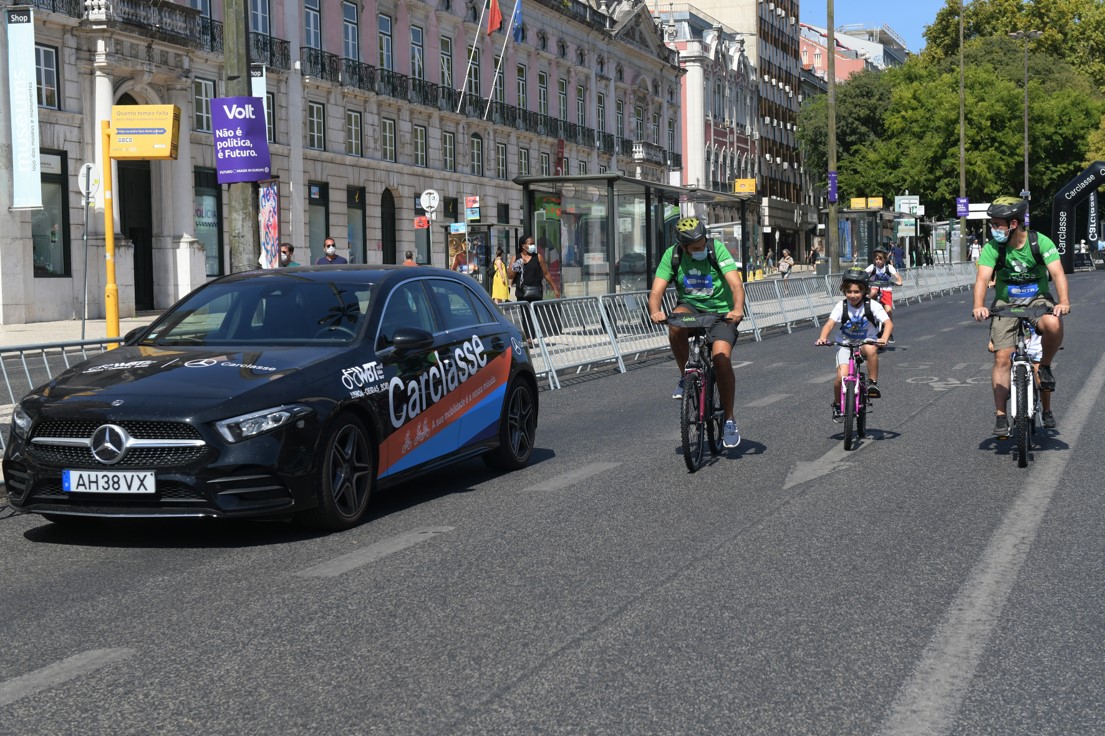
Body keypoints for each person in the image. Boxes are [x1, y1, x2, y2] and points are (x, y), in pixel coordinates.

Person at [971, 195, 1070, 438]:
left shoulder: (1040, 243)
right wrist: (979, 305)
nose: (993, 229)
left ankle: (1044, 366)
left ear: (1013, 224)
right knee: (1002, 358)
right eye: (992, 224)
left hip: (1037, 299)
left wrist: (1064, 301)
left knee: (1054, 323)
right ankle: (1001, 415)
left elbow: (1057, 274)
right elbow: (982, 278)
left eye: (997, 224)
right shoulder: (993, 248)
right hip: (1006, 303)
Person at [647, 216, 745, 449]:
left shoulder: (716, 250)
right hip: (691, 308)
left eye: (702, 244)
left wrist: (737, 309)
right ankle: (686, 377)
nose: (700, 249)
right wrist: (655, 311)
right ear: (683, 246)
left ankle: (729, 419)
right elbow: (656, 291)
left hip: (721, 313)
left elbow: (735, 285)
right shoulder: (673, 255)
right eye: (695, 247)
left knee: (721, 359)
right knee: (675, 323)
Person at [815, 269, 892, 416]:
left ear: (864, 291)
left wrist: (884, 338)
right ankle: (838, 404)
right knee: (840, 377)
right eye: (849, 291)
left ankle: (872, 383)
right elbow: (830, 324)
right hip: (845, 343)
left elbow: (888, 323)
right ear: (844, 291)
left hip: (865, 341)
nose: (852, 295)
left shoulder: (872, 305)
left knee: (871, 349)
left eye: (857, 292)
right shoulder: (841, 306)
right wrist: (823, 337)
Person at [511, 234, 560, 345]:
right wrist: (517, 265)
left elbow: (546, 273)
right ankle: (528, 338)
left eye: (533, 243)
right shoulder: (516, 258)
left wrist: (555, 288)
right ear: (524, 246)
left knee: (533, 314)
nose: (533, 246)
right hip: (522, 292)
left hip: (535, 291)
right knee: (525, 315)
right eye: (531, 244)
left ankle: (530, 337)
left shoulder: (538, 257)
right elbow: (510, 275)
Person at [864, 245, 903, 342]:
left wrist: (898, 282)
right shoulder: (872, 267)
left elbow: (898, 278)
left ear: (885, 259)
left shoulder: (888, 267)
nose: (878, 261)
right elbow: (863, 274)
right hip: (874, 287)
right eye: (876, 259)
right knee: (872, 292)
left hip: (886, 290)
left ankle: (888, 332)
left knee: (888, 311)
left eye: (880, 259)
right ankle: (865, 305)